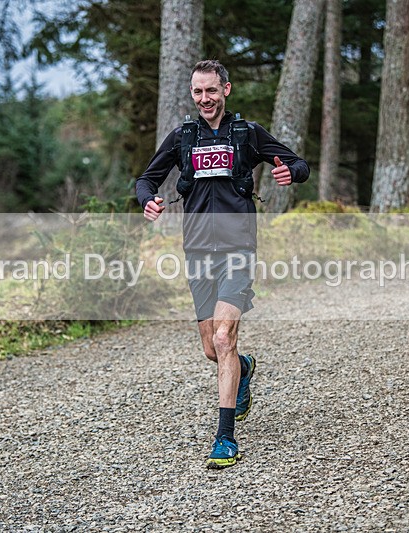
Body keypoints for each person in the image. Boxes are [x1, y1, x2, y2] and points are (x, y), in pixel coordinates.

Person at [136, 59, 309, 468]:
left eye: (211, 91)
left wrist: (291, 174)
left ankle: (225, 438)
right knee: (212, 349)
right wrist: (148, 200)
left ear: (225, 90)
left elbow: (297, 162)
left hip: (238, 247)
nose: (204, 99)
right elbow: (146, 179)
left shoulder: (246, 134)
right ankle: (244, 368)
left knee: (223, 338)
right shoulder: (183, 137)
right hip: (197, 250)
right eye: (198, 92)